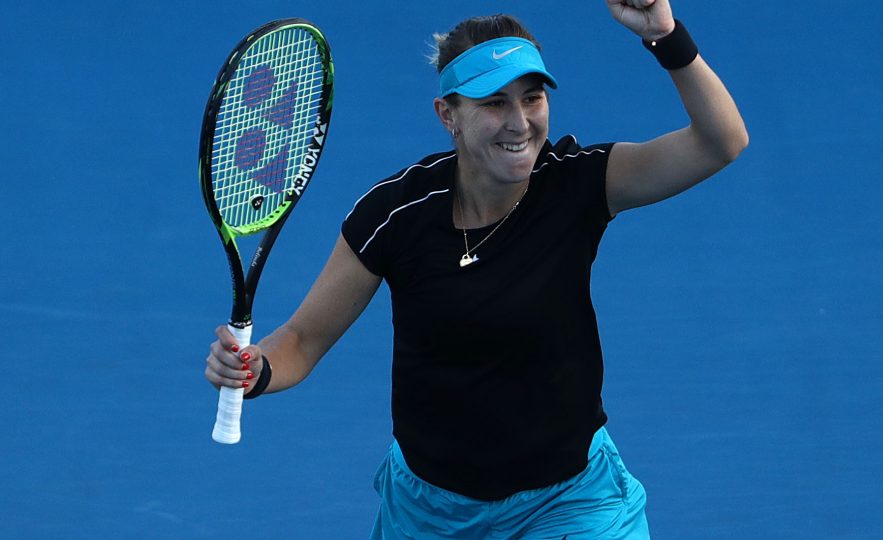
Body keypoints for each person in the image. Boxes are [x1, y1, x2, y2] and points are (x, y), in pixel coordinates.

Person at [205, 0, 747, 537]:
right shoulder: (396, 215)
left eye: (532, 98)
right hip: (430, 514)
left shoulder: (577, 185)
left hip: (571, 502)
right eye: (493, 103)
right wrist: (255, 370)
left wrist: (665, 35)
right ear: (448, 116)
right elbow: (302, 339)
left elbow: (720, 142)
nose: (519, 122)